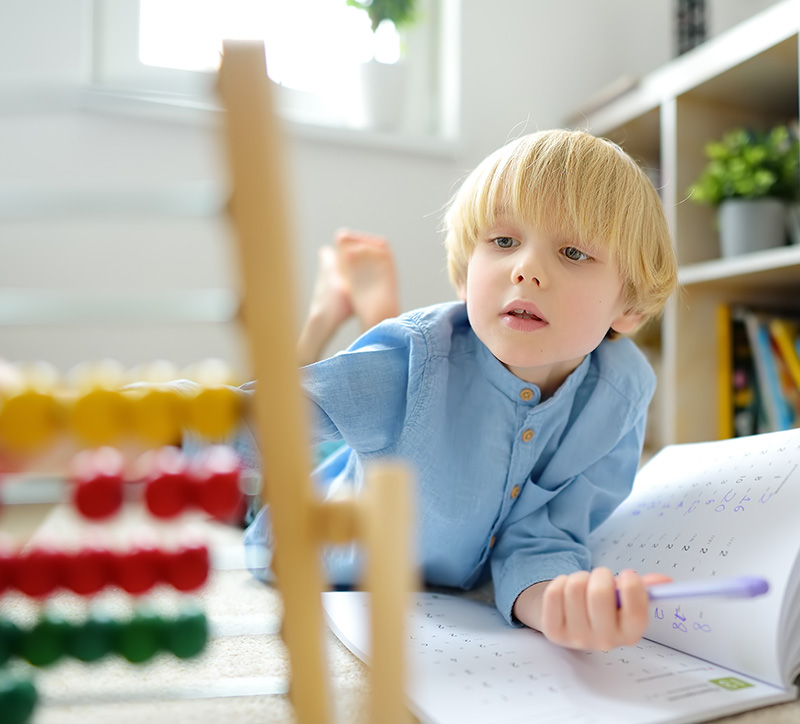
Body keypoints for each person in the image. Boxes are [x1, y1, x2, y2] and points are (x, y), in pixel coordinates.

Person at [244, 129, 679, 652]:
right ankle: (331, 315)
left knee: (388, 407)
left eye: (572, 251)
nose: (526, 269)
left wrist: (555, 604)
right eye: (503, 242)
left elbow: (544, 538)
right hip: (308, 541)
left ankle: (359, 308)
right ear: (465, 273)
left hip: (407, 483)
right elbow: (256, 416)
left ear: (628, 307)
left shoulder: (620, 395)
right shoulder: (415, 358)